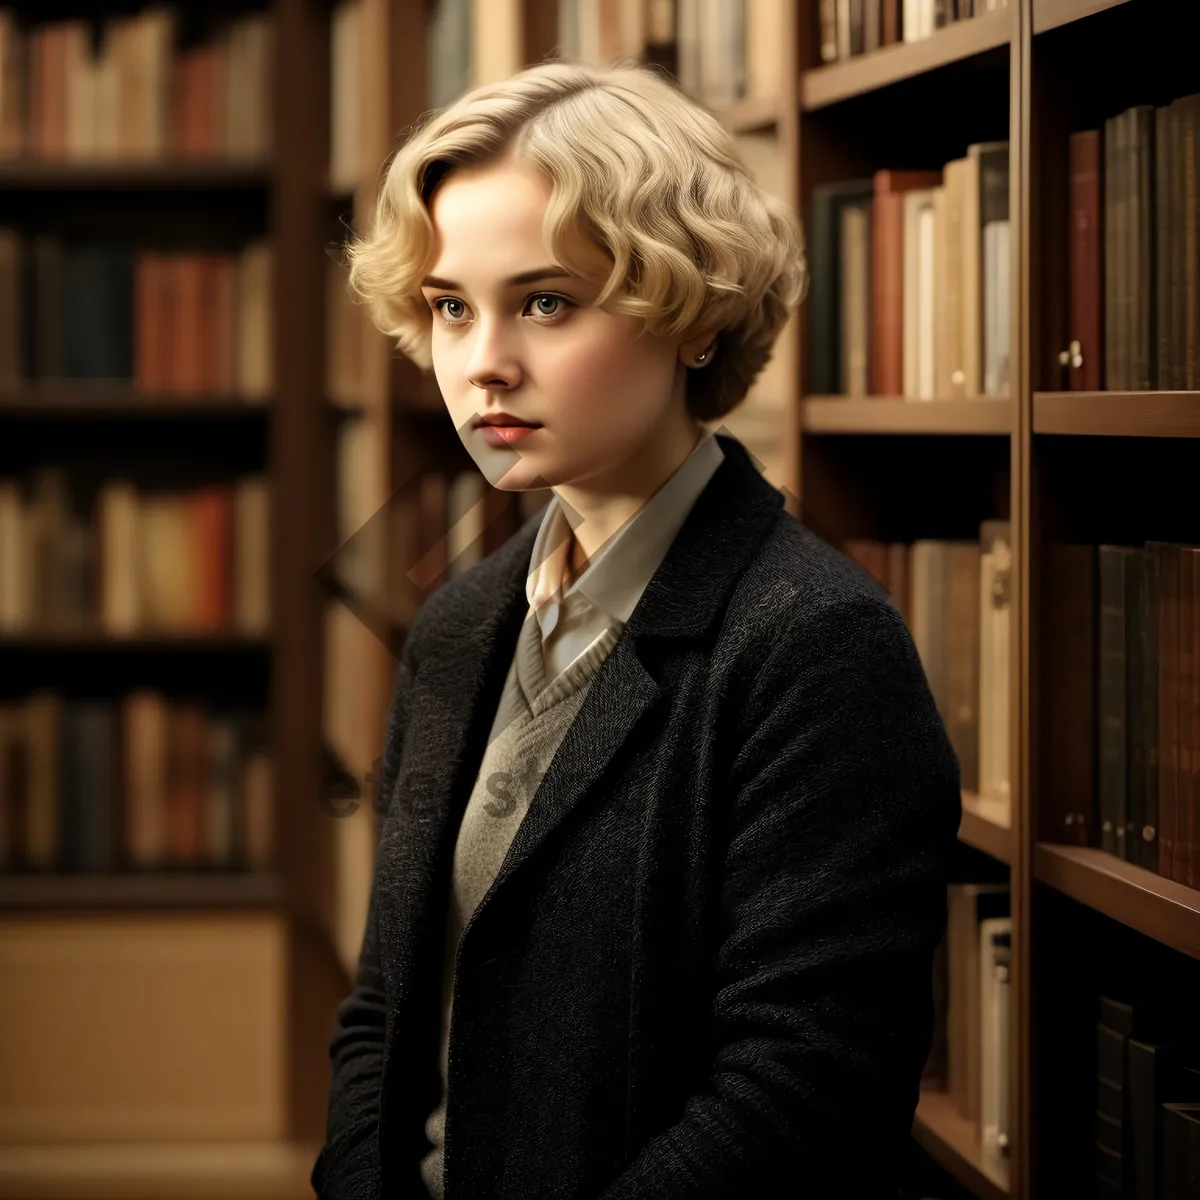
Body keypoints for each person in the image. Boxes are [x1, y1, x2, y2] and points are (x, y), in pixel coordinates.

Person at [311, 56, 961, 1200]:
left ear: (694, 318)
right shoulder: (459, 623)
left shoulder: (814, 642)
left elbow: (806, 1091)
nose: (482, 363)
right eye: (452, 306)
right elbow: (386, 1004)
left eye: (546, 302)